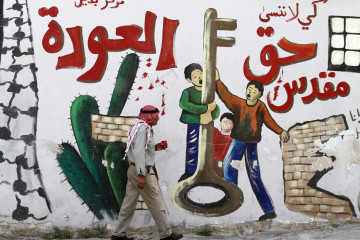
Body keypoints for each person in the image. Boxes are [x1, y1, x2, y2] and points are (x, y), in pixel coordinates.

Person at [215, 70, 289, 221]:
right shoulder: (239, 104)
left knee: (255, 176)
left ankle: (269, 210)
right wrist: (217, 81)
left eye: (254, 91)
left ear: (259, 94)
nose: (251, 92)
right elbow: (226, 96)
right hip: (237, 142)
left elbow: (269, 121)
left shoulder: (260, 107)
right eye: (249, 89)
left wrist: (280, 131)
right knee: (228, 166)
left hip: (251, 145)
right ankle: (231, 196)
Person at [111, 105, 183, 240]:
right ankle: (166, 234)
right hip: (140, 170)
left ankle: (118, 235)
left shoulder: (140, 127)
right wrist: (141, 175)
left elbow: (141, 149)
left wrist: (156, 147)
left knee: (128, 204)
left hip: (133, 169)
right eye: (156, 116)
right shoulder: (143, 129)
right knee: (155, 202)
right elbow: (138, 152)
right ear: (150, 117)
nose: (158, 118)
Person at [178, 63, 220, 182]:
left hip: (207, 123)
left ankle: (207, 170)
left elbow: (215, 108)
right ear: (189, 79)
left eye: (200, 74)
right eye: (195, 76)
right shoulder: (188, 92)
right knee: (193, 145)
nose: (199, 77)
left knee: (207, 146)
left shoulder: (209, 91)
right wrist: (205, 109)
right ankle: (191, 171)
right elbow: (184, 104)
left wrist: (213, 112)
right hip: (194, 123)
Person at [213, 112, 234, 178]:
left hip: (226, 164)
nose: (225, 124)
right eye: (224, 121)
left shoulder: (234, 139)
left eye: (228, 122)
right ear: (220, 123)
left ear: (233, 125)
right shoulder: (215, 132)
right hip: (213, 163)